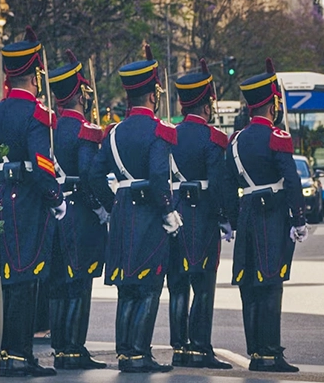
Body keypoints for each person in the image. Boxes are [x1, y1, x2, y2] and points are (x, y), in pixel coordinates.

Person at [0, 27, 64, 377]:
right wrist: (55, 197)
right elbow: (42, 165)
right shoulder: (37, 114)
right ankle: (20, 355)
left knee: (4, 281)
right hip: (25, 203)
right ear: (36, 74)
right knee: (23, 281)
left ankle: (5, 354)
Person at [89, 44, 181, 373]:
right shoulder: (159, 130)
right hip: (148, 214)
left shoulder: (113, 133)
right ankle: (139, 354)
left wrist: (112, 206)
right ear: (153, 95)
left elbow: (95, 175)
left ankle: (125, 352)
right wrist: (168, 211)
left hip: (124, 211)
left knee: (127, 288)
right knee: (149, 286)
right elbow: (159, 175)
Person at [227, 58, 308, 373]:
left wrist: (233, 219)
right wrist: (298, 218)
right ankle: (271, 353)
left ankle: (256, 352)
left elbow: (226, 184)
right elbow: (291, 179)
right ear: (273, 103)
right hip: (272, 216)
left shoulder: (235, 141)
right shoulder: (278, 136)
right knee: (271, 284)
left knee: (250, 286)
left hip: (247, 213)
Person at [168, 59, 234, 369]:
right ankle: (200, 347)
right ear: (206, 104)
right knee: (203, 286)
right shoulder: (214, 138)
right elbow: (219, 184)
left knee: (178, 285)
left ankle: (179, 346)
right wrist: (225, 216)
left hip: (176, 216)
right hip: (203, 217)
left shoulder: (168, 134)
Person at [46, 50, 107, 370]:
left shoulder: (50, 127)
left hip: (55, 213)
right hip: (80, 214)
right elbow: (88, 175)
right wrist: (100, 208)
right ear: (81, 93)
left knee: (58, 282)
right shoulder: (85, 129)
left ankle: (59, 346)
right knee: (80, 281)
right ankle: (73, 348)